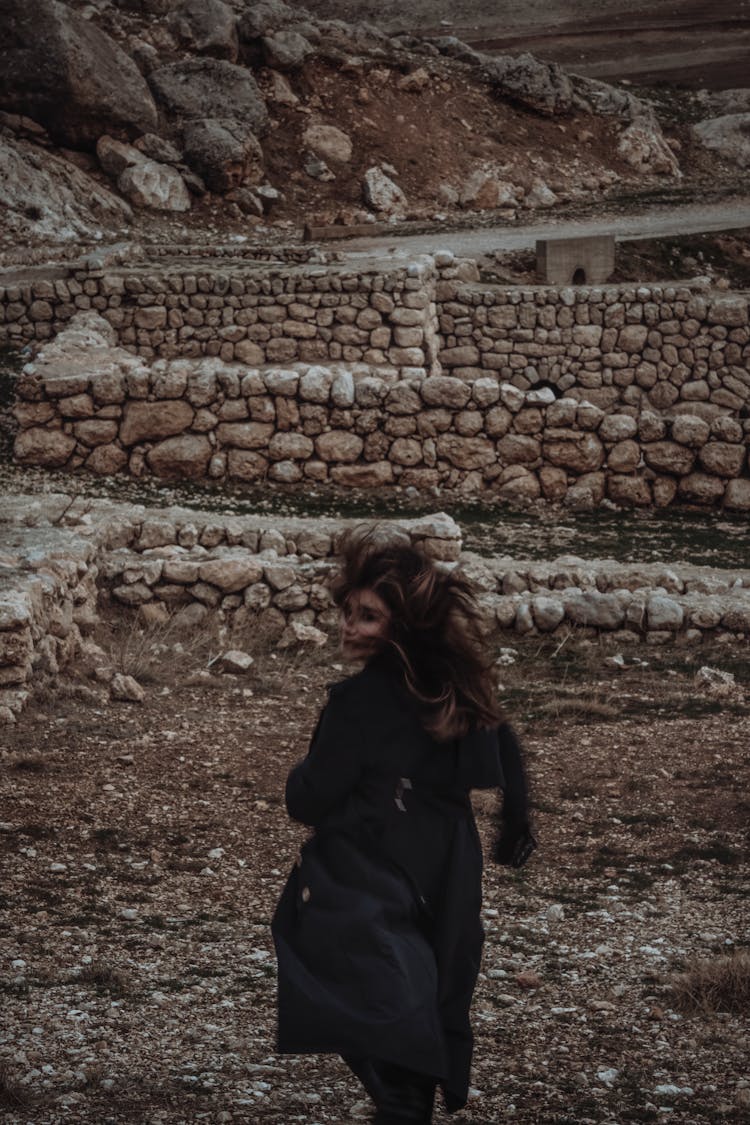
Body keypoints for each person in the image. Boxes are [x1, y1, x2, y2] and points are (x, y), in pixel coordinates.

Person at [272, 529, 536, 1124]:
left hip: (373, 865)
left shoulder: (358, 702)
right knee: (423, 991)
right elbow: (502, 743)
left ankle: (401, 1096)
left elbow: (307, 800)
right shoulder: (452, 689)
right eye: (348, 612)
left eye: (368, 616)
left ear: (402, 624)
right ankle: (405, 1091)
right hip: (444, 865)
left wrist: (300, 774)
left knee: (367, 988)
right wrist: (515, 821)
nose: (349, 625)